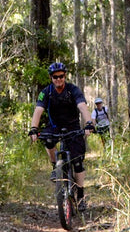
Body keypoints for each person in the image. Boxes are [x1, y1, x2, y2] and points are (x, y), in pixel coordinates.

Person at [28, 62, 93, 205]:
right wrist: (34, 128)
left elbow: (82, 106)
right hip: (54, 126)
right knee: (48, 140)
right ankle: (55, 166)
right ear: (51, 78)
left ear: (65, 76)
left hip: (73, 126)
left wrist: (88, 123)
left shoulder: (73, 90)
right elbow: (38, 110)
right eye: (55, 77)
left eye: (61, 76)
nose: (59, 79)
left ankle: (81, 195)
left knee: (77, 162)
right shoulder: (46, 92)